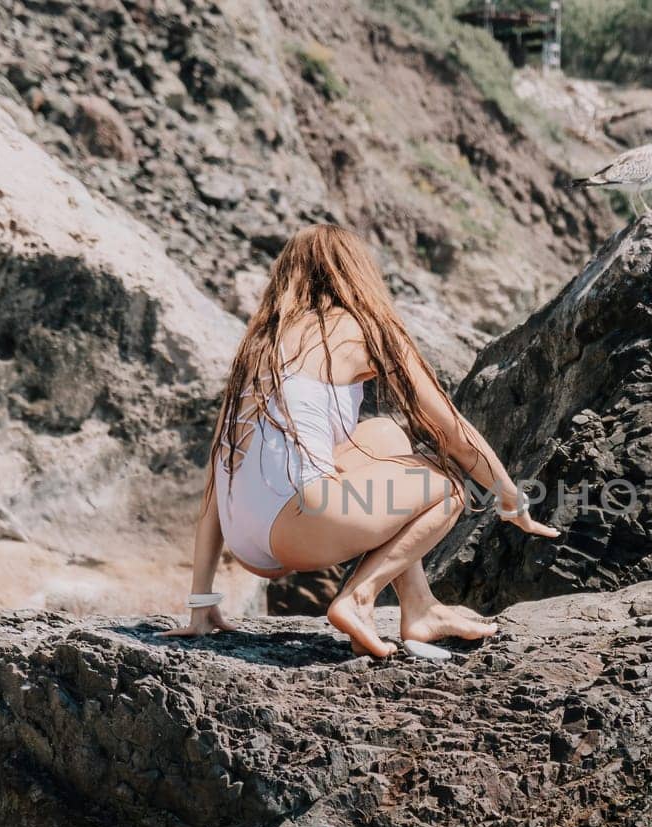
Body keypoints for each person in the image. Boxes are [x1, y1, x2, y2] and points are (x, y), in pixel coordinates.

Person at [161, 224, 558, 657]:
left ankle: (420, 607)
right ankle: (359, 598)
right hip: (299, 525)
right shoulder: (366, 328)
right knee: (447, 483)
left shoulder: (258, 345)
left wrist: (201, 603)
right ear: (357, 271)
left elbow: (217, 474)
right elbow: (452, 433)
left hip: (248, 539)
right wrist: (510, 499)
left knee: (385, 433)